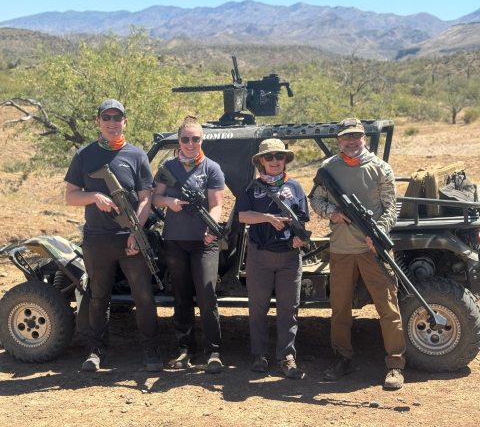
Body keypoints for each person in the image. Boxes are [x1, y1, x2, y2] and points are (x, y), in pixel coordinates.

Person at [65, 98, 162, 372]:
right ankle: (96, 351)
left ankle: (151, 349)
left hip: (130, 239)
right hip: (97, 239)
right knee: (99, 296)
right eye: (106, 118)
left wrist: (136, 231)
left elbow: (146, 198)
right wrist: (94, 196)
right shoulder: (84, 156)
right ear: (98, 122)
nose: (111, 123)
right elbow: (70, 196)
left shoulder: (137, 155)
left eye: (116, 118)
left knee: (143, 295)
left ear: (124, 122)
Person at [309, 117, 406, 390]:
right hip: (340, 249)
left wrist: (378, 235)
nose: (351, 142)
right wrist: (333, 213)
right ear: (338, 140)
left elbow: (391, 207)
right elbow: (315, 199)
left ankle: (396, 365)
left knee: (388, 308)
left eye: (357, 137)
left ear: (364, 138)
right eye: (346, 137)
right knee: (340, 309)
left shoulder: (380, 168)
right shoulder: (328, 168)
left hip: (372, 249)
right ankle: (343, 358)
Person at [152, 115, 225, 373]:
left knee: (206, 295)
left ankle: (213, 352)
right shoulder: (168, 167)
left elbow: (217, 205)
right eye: (186, 139)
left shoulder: (211, 168)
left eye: (195, 139)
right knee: (181, 296)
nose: (191, 143)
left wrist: (211, 227)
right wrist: (169, 203)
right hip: (175, 241)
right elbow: (154, 198)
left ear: (201, 139)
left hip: (204, 243)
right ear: (179, 140)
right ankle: (185, 349)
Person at [235, 138, 309, 379]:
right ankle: (259, 355)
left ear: (285, 160)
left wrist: (300, 239)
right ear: (261, 162)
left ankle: (287, 357)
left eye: (279, 156)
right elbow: (242, 216)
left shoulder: (296, 188)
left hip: (289, 257)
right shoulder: (251, 188)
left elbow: (303, 220)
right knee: (258, 308)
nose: (275, 161)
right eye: (269, 157)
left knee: (289, 309)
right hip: (259, 257)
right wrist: (267, 217)